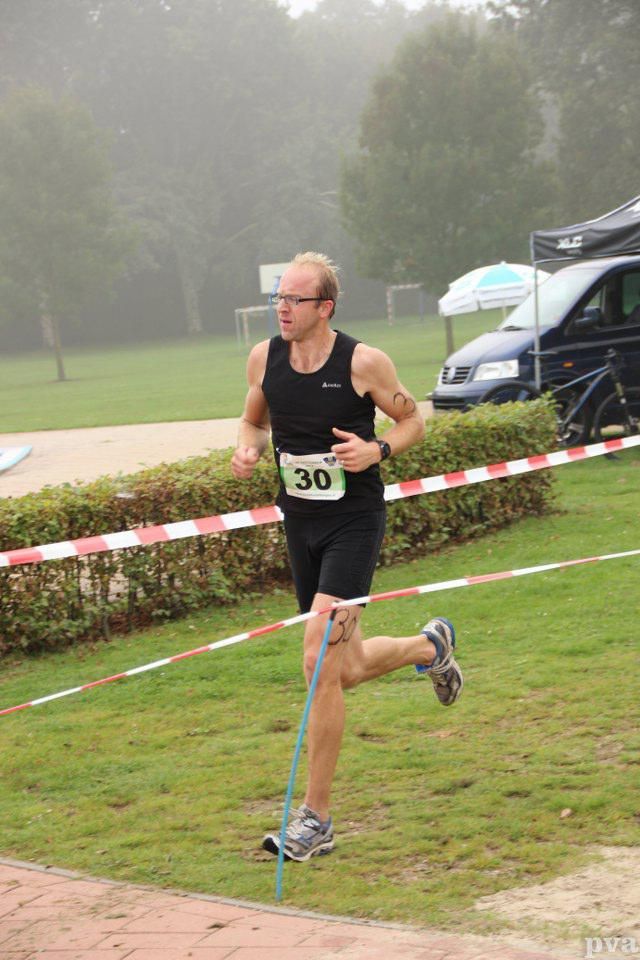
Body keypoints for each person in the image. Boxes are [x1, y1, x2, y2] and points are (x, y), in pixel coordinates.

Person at [231, 252, 463, 862]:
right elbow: (253, 424)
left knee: (317, 662)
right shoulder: (265, 358)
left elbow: (415, 419)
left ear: (324, 307)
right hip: (300, 524)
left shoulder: (363, 362)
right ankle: (429, 647)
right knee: (347, 666)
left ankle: (317, 818)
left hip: (353, 524)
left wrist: (378, 448)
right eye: (278, 297)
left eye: (294, 299)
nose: (281, 307)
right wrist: (247, 450)